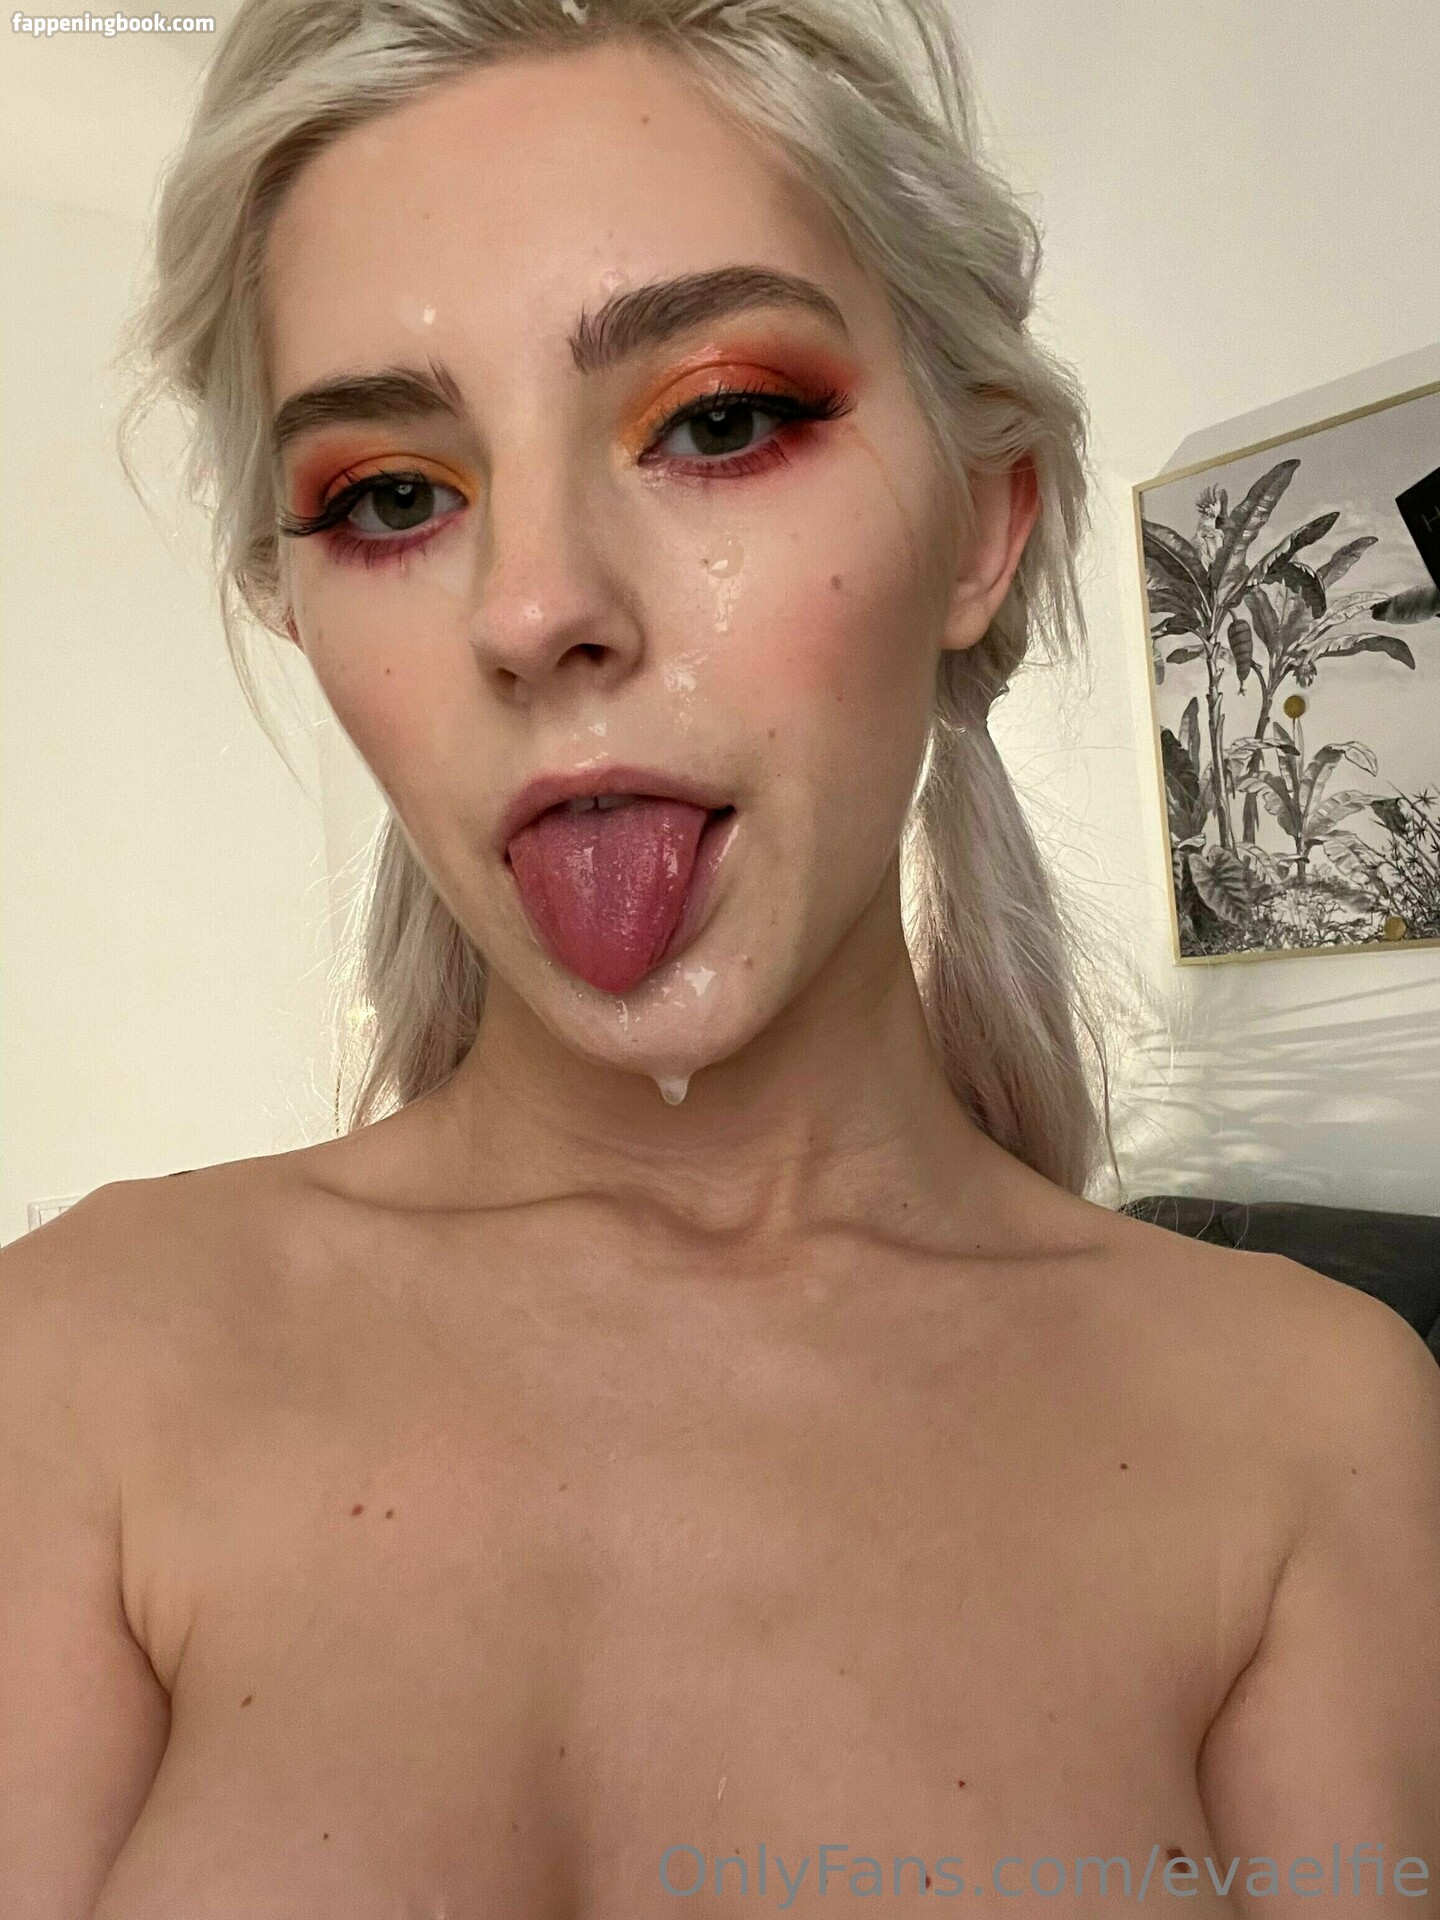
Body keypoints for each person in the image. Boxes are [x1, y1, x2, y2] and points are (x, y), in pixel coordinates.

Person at [3, 0, 1438, 1913]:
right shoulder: (64, 1367)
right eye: (391, 495)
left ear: (983, 525)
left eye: (719, 418)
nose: (535, 610)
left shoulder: (1314, 1429)